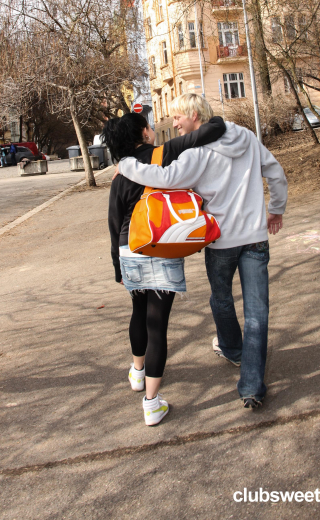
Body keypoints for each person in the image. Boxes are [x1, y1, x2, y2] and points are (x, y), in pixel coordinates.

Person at [118, 93, 288, 411]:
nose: (175, 123)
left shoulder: (199, 150)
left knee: (221, 300)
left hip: (221, 242)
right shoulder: (246, 136)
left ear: (195, 115)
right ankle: (251, 386)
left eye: (178, 116)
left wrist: (126, 164)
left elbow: (165, 178)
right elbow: (276, 173)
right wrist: (276, 209)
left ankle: (232, 349)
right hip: (254, 238)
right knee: (257, 312)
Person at [101, 105, 226, 426]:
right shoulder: (165, 152)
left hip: (130, 249)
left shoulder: (121, 174)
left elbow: (114, 225)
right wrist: (215, 118)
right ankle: (151, 403)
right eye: (149, 127)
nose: (153, 130)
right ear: (143, 132)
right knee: (158, 326)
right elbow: (213, 130)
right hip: (163, 245)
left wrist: (118, 268)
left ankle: (137, 372)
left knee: (137, 313)